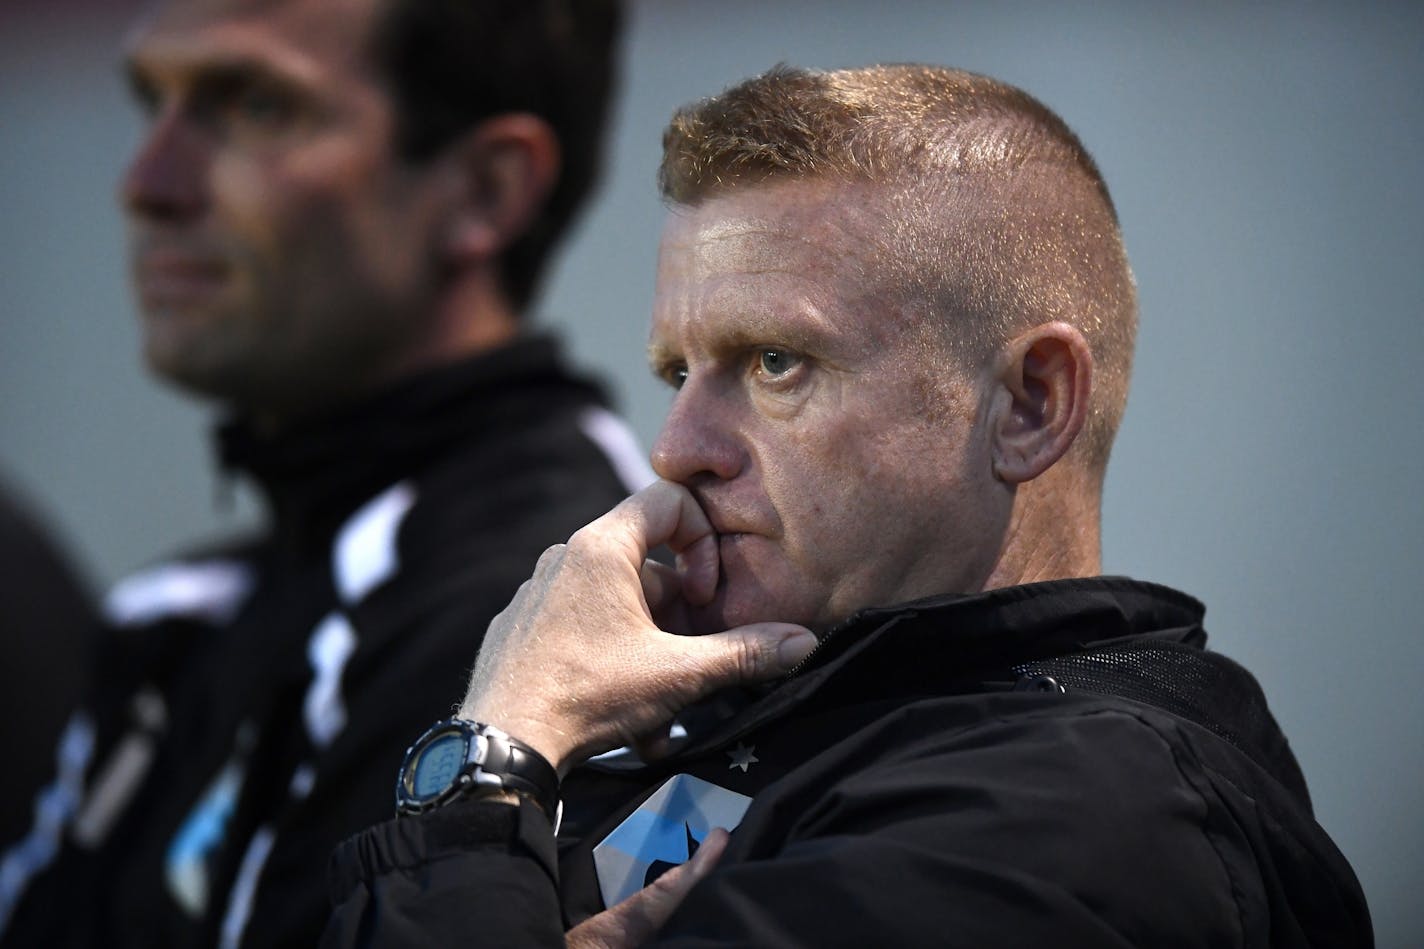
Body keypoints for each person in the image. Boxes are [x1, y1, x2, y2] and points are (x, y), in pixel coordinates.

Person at [322, 64, 1373, 947]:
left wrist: (495, 757)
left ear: (1028, 404)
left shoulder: (1076, 824)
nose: (676, 448)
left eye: (776, 361)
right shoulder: (755, 721)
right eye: (676, 372)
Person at [0, 0, 641, 946]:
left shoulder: (543, 596)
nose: (148, 183)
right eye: (155, 103)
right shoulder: (179, 613)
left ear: (485, 190)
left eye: (255, 105)